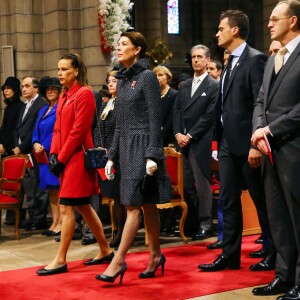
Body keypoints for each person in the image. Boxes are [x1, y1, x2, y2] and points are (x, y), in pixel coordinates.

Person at [199, 9, 273, 272]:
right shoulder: (229, 61)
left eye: (221, 28)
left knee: (261, 200)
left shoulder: (255, 60)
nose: (216, 33)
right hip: (229, 144)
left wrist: (256, 144)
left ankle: (273, 252)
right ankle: (230, 255)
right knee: (229, 200)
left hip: (248, 144)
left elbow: (260, 103)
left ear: (235, 30)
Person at [96, 30, 172, 285]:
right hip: (126, 148)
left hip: (142, 147)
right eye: (118, 44)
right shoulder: (122, 80)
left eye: (124, 44)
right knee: (147, 204)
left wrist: (153, 154)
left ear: (137, 49)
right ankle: (156, 256)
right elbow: (119, 124)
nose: (119, 47)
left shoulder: (147, 77)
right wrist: (111, 157)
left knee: (131, 206)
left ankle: (117, 261)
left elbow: (154, 118)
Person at [36, 53, 113, 276]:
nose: (60, 73)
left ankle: (60, 259)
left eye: (65, 69)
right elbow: (58, 128)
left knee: (67, 206)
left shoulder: (85, 93)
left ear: (76, 71)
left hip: (77, 159)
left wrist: (60, 158)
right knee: (84, 207)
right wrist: (53, 154)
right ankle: (106, 249)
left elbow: (79, 132)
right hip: (64, 157)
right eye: (59, 69)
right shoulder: (64, 95)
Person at [251, 1, 300, 298]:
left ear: (293, 21)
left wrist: (271, 129)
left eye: (274, 19)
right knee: (278, 218)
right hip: (270, 151)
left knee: (297, 218)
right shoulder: (273, 58)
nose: (269, 24)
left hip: (294, 149)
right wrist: (258, 129)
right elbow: (261, 100)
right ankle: (283, 275)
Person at [173, 44, 219, 240]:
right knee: (187, 185)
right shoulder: (184, 86)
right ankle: (190, 223)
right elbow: (176, 111)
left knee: (202, 185)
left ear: (208, 60)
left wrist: (189, 135)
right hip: (182, 142)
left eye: (200, 57)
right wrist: (177, 133)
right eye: (193, 57)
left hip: (200, 141)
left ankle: (206, 223)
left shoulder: (213, 86)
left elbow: (209, 116)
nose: (196, 60)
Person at [92, 70, 125, 249]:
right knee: (113, 196)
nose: (111, 84)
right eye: (109, 81)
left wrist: (112, 151)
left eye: (115, 81)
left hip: (119, 156)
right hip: (106, 156)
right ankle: (117, 229)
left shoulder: (123, 103)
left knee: (119, 196)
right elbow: (98, 128)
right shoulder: (107, 104)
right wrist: (99, 147)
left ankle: (122, 232)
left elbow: (120, 131)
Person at [13, 76, 49, 230]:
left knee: (37, 186)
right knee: (29, 186)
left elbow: (34, 129)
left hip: (33, 152)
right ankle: (33, 215)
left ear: (36, 88)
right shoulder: (24, 105)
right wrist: (16, 145)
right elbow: (17, 128)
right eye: (22, 86)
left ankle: (39, 218)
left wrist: (22, 147)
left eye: (27, 86)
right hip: (23, 153)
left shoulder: (41, 105)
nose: (23, 89)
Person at [32, 76, 62, 236]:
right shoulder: (43, 110)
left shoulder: (60, 108)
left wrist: (46, 146)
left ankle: (61, 224)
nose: (50, 91)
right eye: (48, 89)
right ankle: (54, 222)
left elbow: (58, 131)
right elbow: (35, 130)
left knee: (58, 190)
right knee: (51, 191)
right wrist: (35, 142)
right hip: (41, 156)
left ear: (59, 91)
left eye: (53, 89)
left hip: (53, 154)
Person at [0, 77, 25, 225]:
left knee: (17, 183)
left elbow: (16, 131)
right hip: (5, 148)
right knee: (7, 182)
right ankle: (10, 216)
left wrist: (6, 146)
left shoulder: (20, 107)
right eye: (4, 88)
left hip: (13, 149)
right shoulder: (9, 107)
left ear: (15, 91)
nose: (5, 90)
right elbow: (4, 129)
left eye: (8, 88)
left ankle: (17, 215)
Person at [153, 65, 177, 146]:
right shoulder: (152, 95)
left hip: (168, 140)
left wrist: (160, 138)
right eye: (155, 75)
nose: (157, 78)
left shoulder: (174, 95)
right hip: (153, 139)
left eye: (160, 75)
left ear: (168, 77)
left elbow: (172, 120)